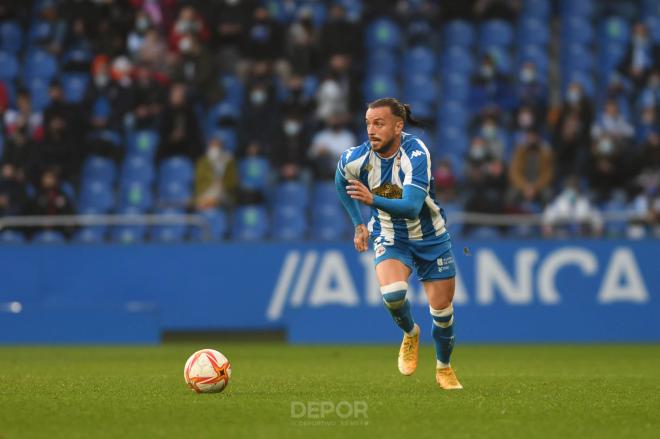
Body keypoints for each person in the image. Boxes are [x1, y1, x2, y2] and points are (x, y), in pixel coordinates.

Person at [335, 98, 462, 390]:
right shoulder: (357, 157)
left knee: (442, 312)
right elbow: (339, 180)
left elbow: (412, 207)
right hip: (391, 235)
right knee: (393, 294)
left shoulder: (416, 153)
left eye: (378, 123)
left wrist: (372, 200)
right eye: (368, 123)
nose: (371, 130)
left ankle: (444, 368)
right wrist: (358, 223)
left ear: (398, 125)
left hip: (431, 236)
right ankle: (410, 332)